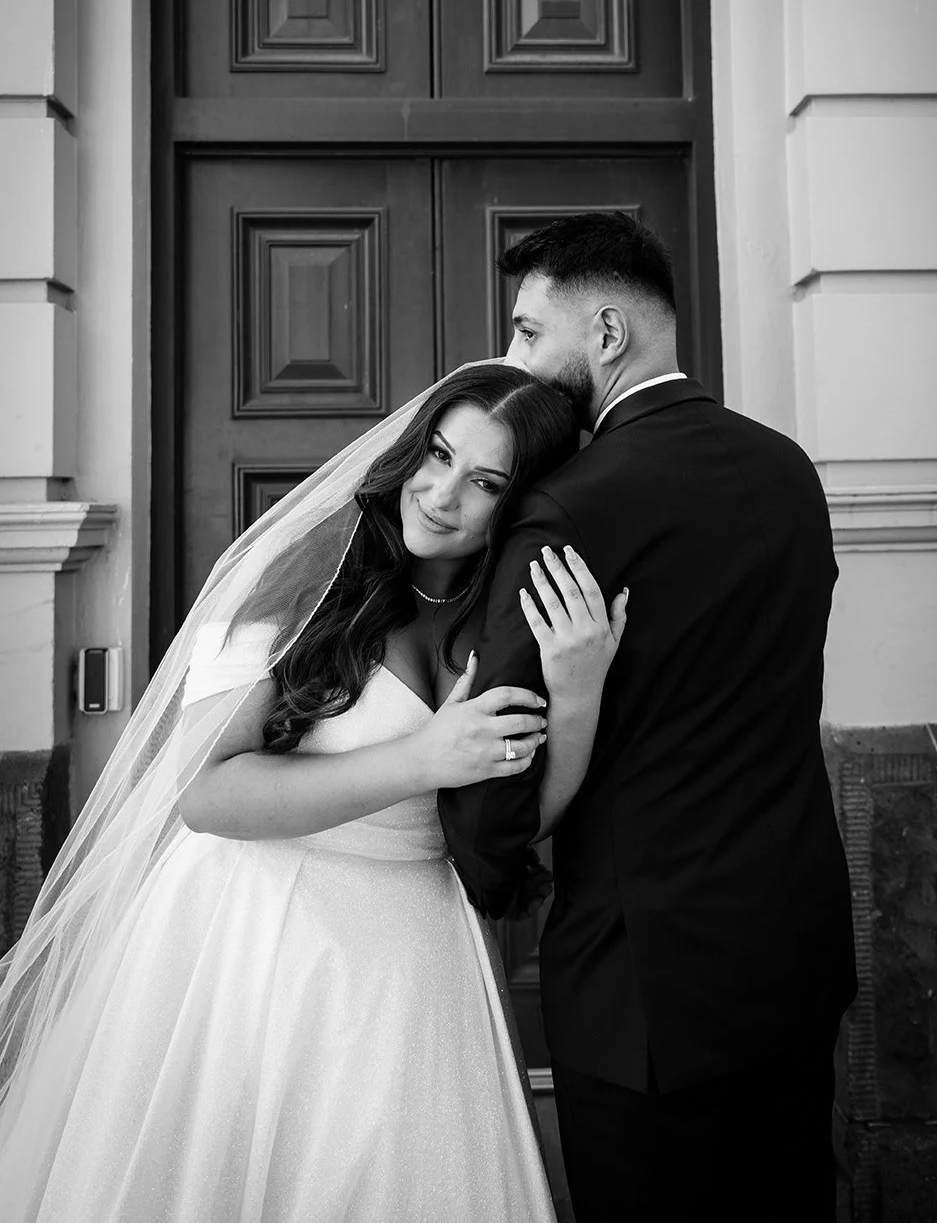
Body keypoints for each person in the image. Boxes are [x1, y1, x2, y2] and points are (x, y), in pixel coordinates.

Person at [0, 363, 627, 1223]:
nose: (440, 495)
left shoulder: (506, 621)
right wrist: (423, 757)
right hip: (249, 933)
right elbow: (206, 795)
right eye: (437, 456)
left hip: (409, 957)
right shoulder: (302, 572)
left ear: (519, 504)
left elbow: (520, 820)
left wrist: (580, 688)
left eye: (484, 482)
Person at [439, 214, 858, 1223]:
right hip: (794, 960)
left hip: (643, 995)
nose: (514, 360)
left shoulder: (565, 508)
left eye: (532, 332)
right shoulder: (788, 472)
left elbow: (497, 760)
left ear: (610, 334)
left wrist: (490, 867)